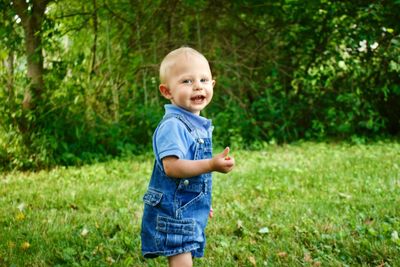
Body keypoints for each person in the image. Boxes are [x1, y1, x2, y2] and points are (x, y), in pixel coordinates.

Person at [141, 47, 235, 267]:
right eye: (186, 81)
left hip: (184, 204)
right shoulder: (173, 125)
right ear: (167, 91)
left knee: (186, 248)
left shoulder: (195, 124)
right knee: (181, 250)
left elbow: (190, 177)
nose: (197, 86)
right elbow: (172, 168)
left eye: (203, 79)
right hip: (173, 209)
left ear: (212, 85)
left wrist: (200, 203)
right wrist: (211, 164)